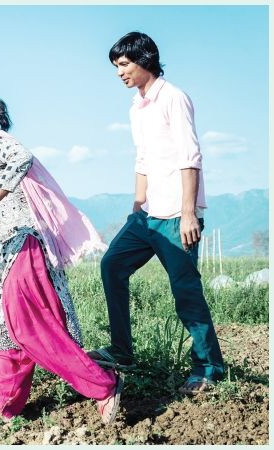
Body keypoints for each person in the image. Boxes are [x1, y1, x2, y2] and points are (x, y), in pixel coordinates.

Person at [0, 87, 122, 425]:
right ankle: (4, 409)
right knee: (4, 329)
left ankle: (103, 383)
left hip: (26, 245)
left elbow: (22, 158)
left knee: (27, 324)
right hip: (8, 246)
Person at [87, 32, 225, 395]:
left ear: (145, 60)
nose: (119, 73)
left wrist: (189, 213)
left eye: (124, 65)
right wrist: (137, 206)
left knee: (185, 291)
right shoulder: (136, 106)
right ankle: (122, 350)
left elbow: (190, 157)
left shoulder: (174, 98)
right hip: (147, 214)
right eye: (116, 67)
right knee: (112, 265)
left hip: (177, 216)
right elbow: (143, 159)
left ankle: (209, 368)